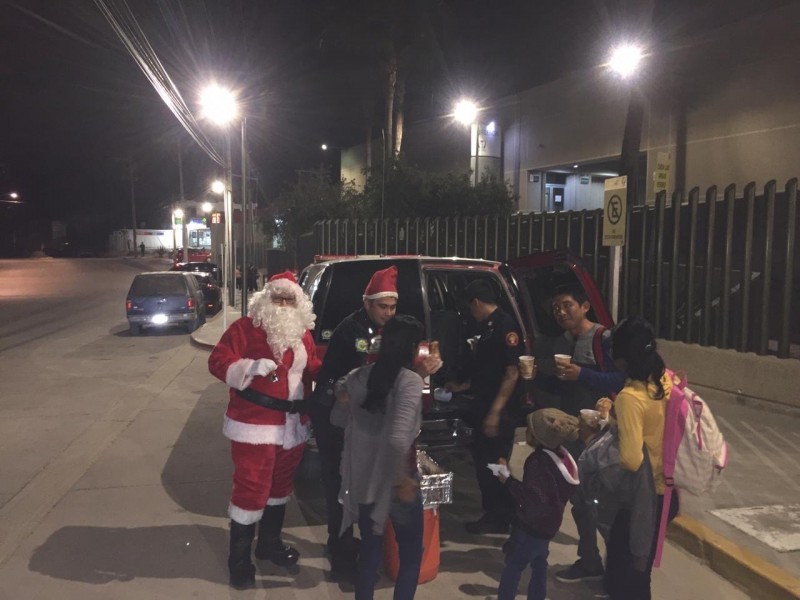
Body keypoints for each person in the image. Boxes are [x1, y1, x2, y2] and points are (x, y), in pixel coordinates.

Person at [308, 265, 440, 578]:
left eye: (393, 307)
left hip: (357, 414)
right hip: (335, 416)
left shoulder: (384, 332)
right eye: (383, 306)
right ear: (367, 303)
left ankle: (359, 546)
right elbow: (370, 381)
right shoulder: (353, 331)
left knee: (362, 484)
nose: (389, 312)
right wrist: (418, 375)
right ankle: (341, 557)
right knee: (341, 484)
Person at [208, 271, 321, 589]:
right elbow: (218, 361)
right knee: (251, 491)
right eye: (278, 298)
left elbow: (312, 365)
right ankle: (239, 561)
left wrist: (343, 370)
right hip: (255, 426)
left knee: (279, 489)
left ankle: (268, 544)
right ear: (265, 300)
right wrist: (248, 367)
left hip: (292, 428)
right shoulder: (244, 329)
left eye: (290, 299)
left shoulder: (302, 335)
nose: (284, 305)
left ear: (298, 304)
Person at [531, 285, 625, 583]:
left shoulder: (604, 338)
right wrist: (539, 377)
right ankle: (591, 561)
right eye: (556, 308)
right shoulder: (564, 341)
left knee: (605, 504)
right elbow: (565, 387)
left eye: (567, 305)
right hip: (577, 433)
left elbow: (622, 379)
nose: (560, 312)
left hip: (604, 435)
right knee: (580, 500)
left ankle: (619, 568)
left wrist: (582, 374)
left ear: (585, 306)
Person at [330, 315, 426, 600]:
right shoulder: (409, 381)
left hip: (364, 477)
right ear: (412, 348)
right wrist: (402, 479)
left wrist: (343, 396)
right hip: (395, 481)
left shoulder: (360, 375)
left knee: (371, 552)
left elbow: (337, 419)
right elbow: (398, 438)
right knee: (410, 553)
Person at [604, 316, 679, 599]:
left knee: (625, 578)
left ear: (622, 358)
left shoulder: (630, 397)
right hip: (668, 493)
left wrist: (601, 432)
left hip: (642, 499)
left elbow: (631, 460)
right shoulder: (665, 380)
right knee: (639, 571)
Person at [445, 278, 523, 534]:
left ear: (476, 302)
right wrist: (462, 387)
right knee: (483, 463)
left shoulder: (505, 327)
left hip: (499, 411)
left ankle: (503, 515)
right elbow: (487, 370)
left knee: (496, 464)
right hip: (484, 404)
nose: (470, 313)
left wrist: (495, 413)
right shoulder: (490, 327)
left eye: (470, 307)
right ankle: (495, 512)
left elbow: (512, 373)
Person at [493, 408, 580, 600]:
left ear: (538, 436)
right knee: (540, 564)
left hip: (530, 525)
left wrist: (507, 479)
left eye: (529, 430)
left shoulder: (538, 461)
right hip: (549, 525)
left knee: (514, 565)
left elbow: (531, 497)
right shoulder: (563, 458)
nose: (526, 432)